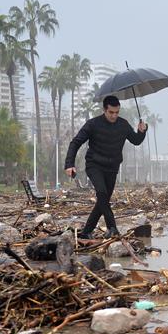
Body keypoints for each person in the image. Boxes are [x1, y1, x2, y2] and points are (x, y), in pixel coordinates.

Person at [64, 95, 147, 239]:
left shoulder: (123, 124)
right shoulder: (93, 124)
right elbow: (75, 142)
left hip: (112, 168)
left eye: (117, 112)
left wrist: (142, 131)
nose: (114, 115)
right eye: (111, 112)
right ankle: (112, 227)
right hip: (94, 165)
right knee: (102, 194)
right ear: (104, 110)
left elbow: (136, 141)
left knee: (104, 200)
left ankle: (86, 232)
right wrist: (69, 164)